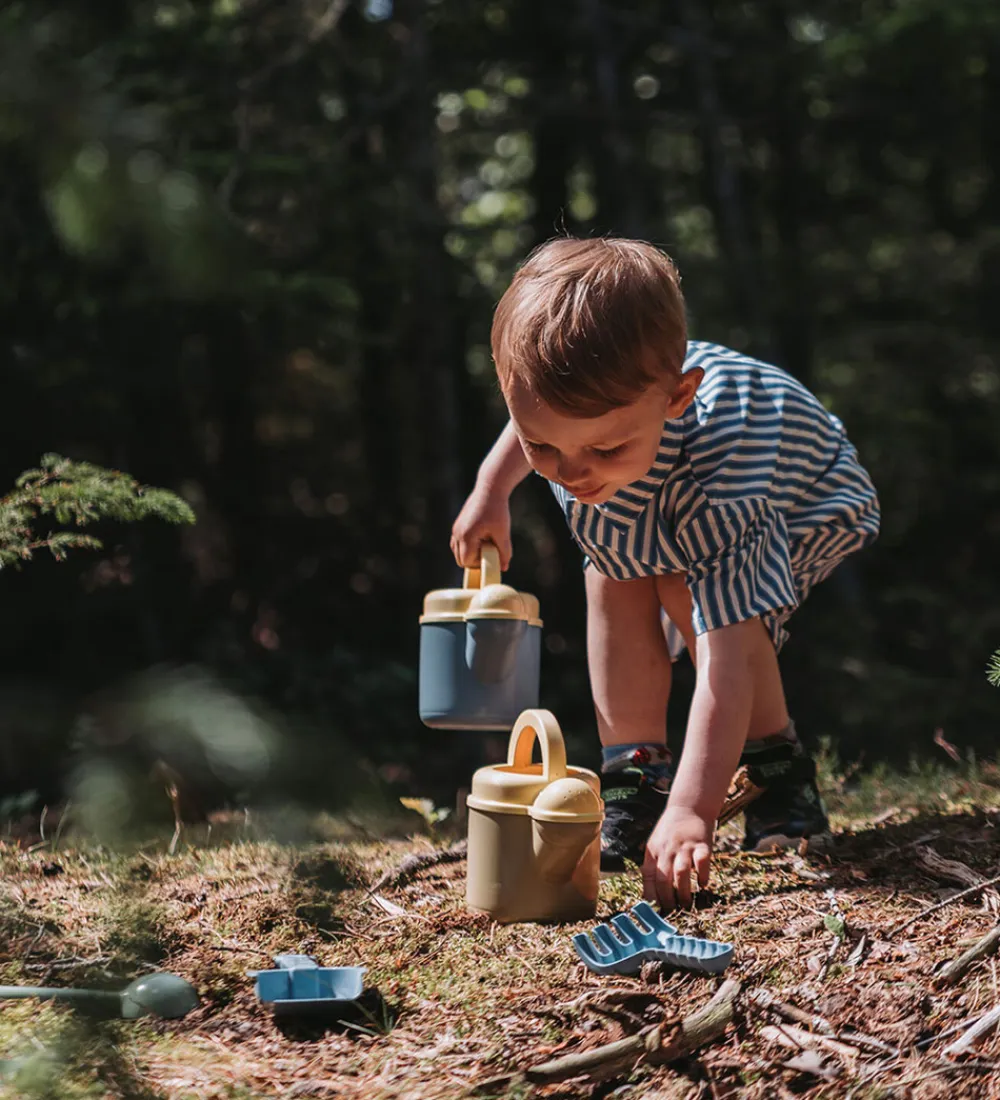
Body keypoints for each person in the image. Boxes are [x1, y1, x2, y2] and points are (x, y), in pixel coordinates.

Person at [451, 237, 880, 909]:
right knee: (611, 573)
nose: (572, 473)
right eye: (544, 446)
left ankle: (776, 771)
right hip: (655, 486)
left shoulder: (720, 489)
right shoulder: (586, 435)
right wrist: (491, 488)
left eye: (602, 447)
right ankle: (635, 775)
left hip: (802, 497)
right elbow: (532, 414)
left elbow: (726, 661)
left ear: (676, 396)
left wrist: (693, 811)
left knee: (695, 596)